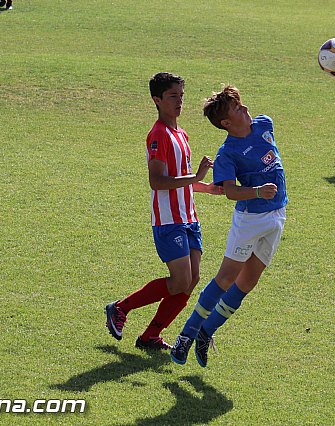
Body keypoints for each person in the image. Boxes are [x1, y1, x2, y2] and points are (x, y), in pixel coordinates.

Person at [170, 86, 288, 367]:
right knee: (225, 279)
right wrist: (258, 191)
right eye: (237, 109)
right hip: (250, 220)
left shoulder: (264, 124)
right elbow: (231, 192)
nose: (245, 109)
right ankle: (186, 335)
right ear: (226, 123)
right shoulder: (227, 154)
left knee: (248, 282)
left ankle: (206, 331)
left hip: (277, 214)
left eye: (241, 104)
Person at [105, 72, 223, 351]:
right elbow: (157, 181)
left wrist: (207, 188)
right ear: (156, 100)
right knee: (180, 280)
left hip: (189, 218)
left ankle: (150, 337)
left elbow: (180, 179)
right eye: (173, 96)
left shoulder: (181, 134)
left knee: (191, 280)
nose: (179, 102)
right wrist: (195, 178)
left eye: (181, 96)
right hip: (169, 220)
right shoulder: (158, 135)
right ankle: (121, 307)